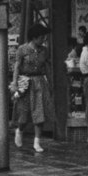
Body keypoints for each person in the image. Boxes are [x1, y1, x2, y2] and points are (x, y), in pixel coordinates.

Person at [12, 23, 53, 154]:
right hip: (25, 81)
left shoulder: (44, 50)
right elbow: (17, 67)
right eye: (41, 37)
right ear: (34, 38)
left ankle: (37, 141)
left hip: (39, 81)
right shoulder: (22, 50)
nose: (43, 40)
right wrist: (14, 82)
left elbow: (46, 67)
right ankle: (20, 130)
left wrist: (50, 82)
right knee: (24, 113)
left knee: (39, 110)